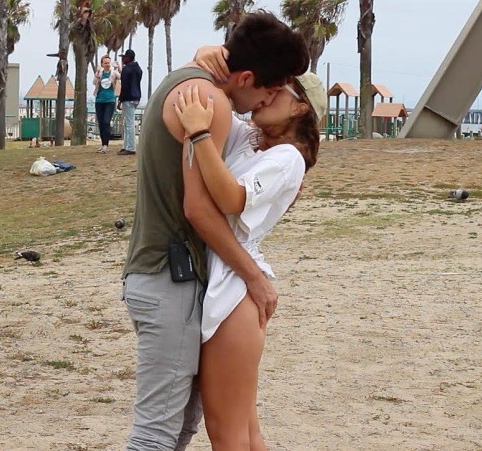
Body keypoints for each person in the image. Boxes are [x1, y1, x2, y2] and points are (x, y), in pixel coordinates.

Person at [121, 11, 309, 450]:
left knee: (179, 429)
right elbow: (200, 209)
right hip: (170, 277)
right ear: (246, 78)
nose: (268, 99)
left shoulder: (190, 83)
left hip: (164, 274)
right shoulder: (211, 104)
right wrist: (255, 277)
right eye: (271, 89)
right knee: (157, 435)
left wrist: (208, 54)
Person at [173, 70, 325, 449]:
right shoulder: (254, 142)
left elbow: (231, 199)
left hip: (234, 292)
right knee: (245, 433)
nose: (266, 95)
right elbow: (224, 99)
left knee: (227, 435)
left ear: (300, 107)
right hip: (230, 283)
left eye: (277, 90)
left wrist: (199, 133)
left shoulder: (288, 158)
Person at [117, 49, 142, 156]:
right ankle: (126, 146)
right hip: (136, 97)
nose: (123, 59)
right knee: (128, 123)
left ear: (128, 58)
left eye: (124, 57)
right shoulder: (138, 69)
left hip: (128, 97)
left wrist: (120, 100)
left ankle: (130, 147)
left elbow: (124, 87)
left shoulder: (126, 70)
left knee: (129, 124)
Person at [93, 55, 120, 154]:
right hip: (99, 101)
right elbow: (94, 82)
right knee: (101, 123)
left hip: (110, 101)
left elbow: (120, 77)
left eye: (108, 63)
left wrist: (118, 68)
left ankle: (106, 145)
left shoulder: (113, 73)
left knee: (106, 122)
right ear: (102, 64)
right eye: (105, 63)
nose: (107, 65)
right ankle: (102, 144)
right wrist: (97, 74)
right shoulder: (100, 73)